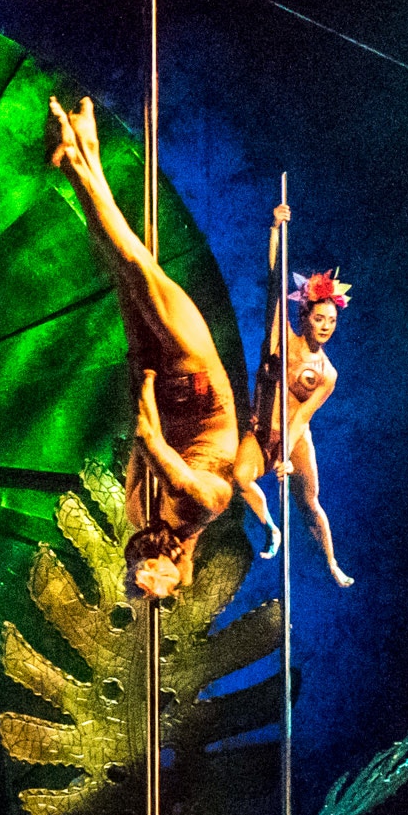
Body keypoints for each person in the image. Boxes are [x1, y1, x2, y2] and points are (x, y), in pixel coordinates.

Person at [49, 97, 238, 598]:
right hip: (192, 375)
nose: (150, 563)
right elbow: (151, 442)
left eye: (139, 566)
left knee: (123, 267)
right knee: (132, 262)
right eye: (161, 573)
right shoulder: (201, 506)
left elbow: (140, 442)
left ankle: (85, 149)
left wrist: (143, 370)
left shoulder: (139, 512)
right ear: (181, 564)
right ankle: (75, 160)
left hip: (160, 379)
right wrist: (150, 379)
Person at [232, 219, 354, 588]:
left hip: (295, 438)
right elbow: (274, 283)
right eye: (319, 319)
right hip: (261, 430)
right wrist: (274, 231)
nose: (326, 326)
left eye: (331, 320)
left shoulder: (328, 374)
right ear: (305, 317)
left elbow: (301, 417)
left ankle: (331, 562)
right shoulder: (280, 337)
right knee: (240, 477)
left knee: (310, 503)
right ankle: (271, 527)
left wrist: (285, 455)